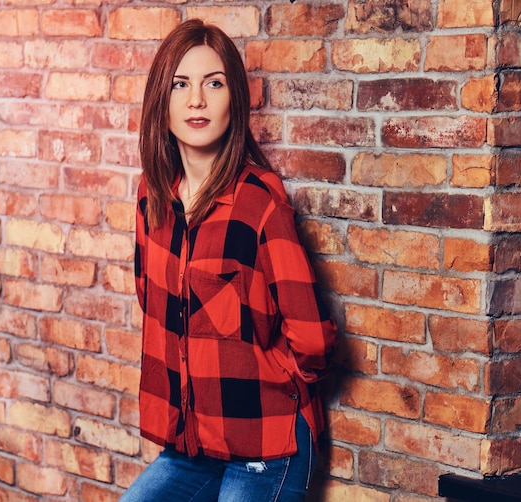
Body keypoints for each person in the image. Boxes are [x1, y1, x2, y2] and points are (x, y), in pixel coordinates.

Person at [123, 18, 338, 502]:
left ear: (233, 99)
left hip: (268, 443)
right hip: (195, 442)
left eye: (213, 83)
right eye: (181, 84)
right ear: (163, 100)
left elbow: (312, 340)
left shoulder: (259, 202)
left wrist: (269, 382)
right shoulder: (151, 198)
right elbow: (154, 302)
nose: (196, 100)